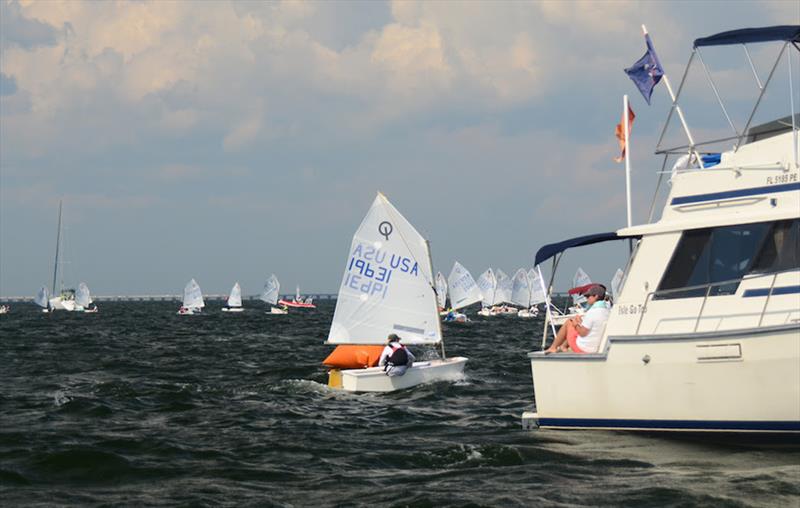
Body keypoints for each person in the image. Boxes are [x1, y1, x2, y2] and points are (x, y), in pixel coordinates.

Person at [546, 284, 610, 354]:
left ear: (596, 296)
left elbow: (582, 333)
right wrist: (580, 322)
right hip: (594, 348)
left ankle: (553, 348)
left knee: (569, 322)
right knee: (574, 323)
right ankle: (563, 347)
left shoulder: (592, 312)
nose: (586, 298)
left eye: (588, 296)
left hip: (583, 349)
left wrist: (575, 324)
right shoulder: (607, 311)